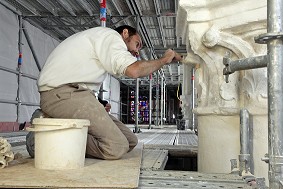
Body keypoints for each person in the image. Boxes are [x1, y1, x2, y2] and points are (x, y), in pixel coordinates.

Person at [27, 25, 182, 160]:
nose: (136, 51)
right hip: (61, 94)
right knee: (115, 147)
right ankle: (42, 139)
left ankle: (59, 125)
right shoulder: (110, 36)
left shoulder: (99, 41)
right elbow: (134, 70)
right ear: (125, 33)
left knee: (130, 141)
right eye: (137, 44)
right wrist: (164, 60)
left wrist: (100, 103)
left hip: (77, 94)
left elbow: (83, 80)